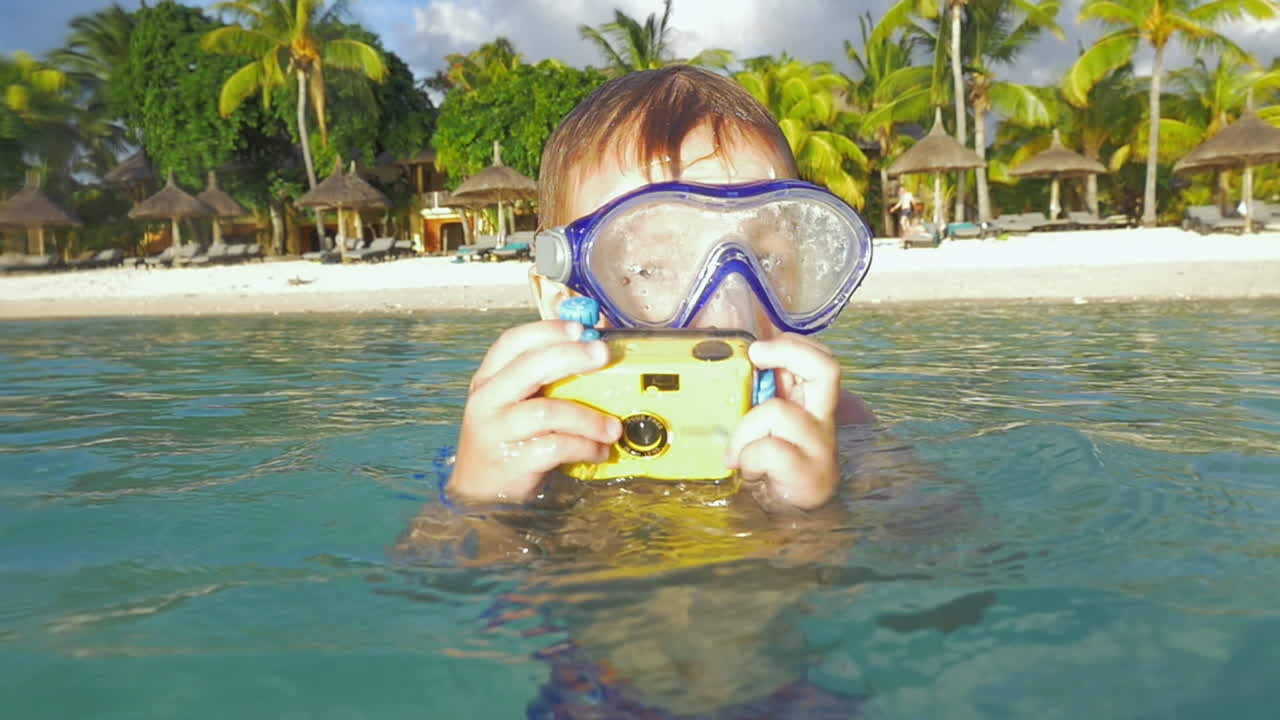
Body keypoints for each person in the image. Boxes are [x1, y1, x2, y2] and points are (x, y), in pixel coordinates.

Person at [446, 65, 876, 514]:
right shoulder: (530, 435)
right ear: (566, 305)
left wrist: (813, 513)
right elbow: (445, 568)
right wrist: (479, 499)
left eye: (767, 261)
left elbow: (923, 543)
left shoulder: (837, 424)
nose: (728, 315)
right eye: (651, 269)